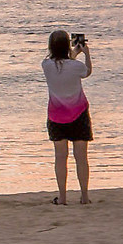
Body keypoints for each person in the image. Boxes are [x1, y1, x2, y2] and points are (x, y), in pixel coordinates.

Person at [43, 30, 95, 205]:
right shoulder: (76, 66)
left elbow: (61, 64)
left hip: (56, 116)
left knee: (60, 158)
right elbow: (86, 72)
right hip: (79, 114)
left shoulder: (46, 65)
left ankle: (63, 197)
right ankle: (85, 196)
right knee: (81, 157)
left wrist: (74, 54)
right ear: (67, 45)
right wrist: (85, 54)